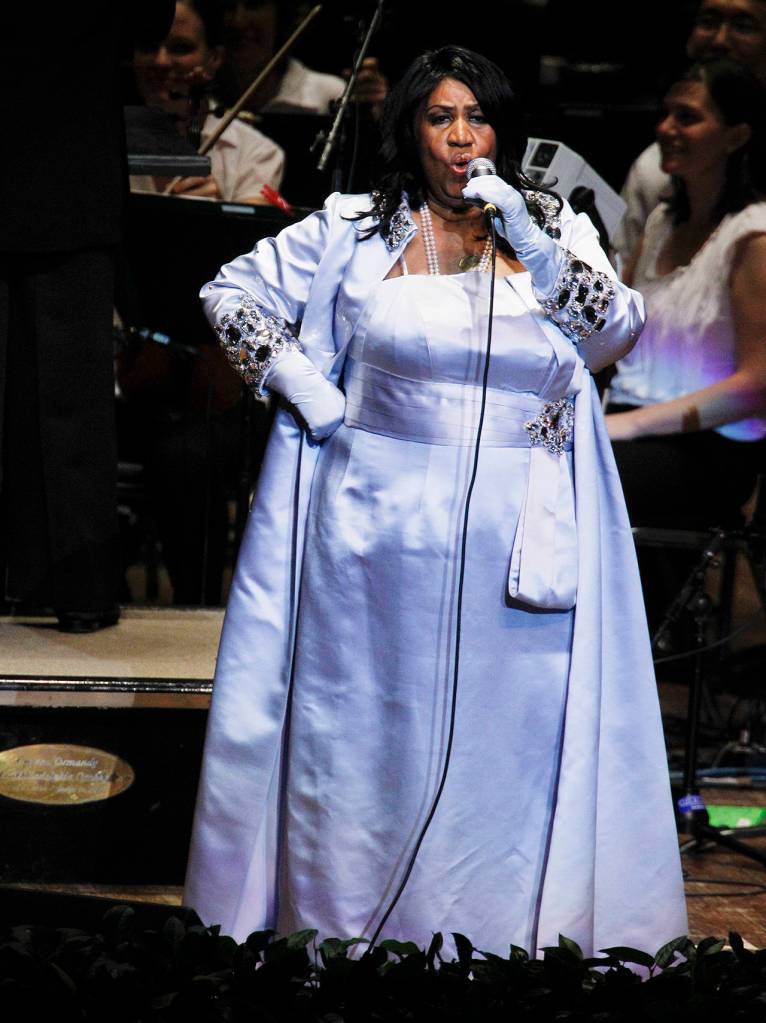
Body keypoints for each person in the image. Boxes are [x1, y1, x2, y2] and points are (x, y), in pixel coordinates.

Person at [184, 46, 687, 957]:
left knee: (506, 758)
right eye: (440, 117)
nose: (462, 137)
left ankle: (493, 951)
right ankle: (347, 943)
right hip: (372, 538)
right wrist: (300, 378)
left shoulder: (547, 229)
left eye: (479, 117)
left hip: (517, 544)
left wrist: (535, 246)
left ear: (503, 131)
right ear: (411, 130)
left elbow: (616, 330)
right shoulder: (355, 228)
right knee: (369, 748)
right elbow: (231, 292)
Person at [0, 2, 174, 632]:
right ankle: (78, 592)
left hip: (64, 175)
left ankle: (60, 586)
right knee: (71, 405)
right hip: (71, 176)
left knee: (61, 402)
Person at [607, 59, 766, 544]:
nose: (666, 128)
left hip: (708, 450)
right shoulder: (660, 222)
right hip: (633, 428)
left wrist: (628, 425)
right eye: (666, 113)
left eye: (687, 117)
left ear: (737, 136)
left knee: (583, 477)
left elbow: (756, 387)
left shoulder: (754, 235)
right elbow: (616, 334)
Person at [614, 0, 766, 265]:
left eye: (743, 25)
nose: (719, 40)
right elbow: (619, 281)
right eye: (708, 22)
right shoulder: (655, 169)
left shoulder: (754, 236)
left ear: (737, 136)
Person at [131, 0, 284, 204]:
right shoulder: (98, 139)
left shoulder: (257, 153)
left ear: (214, 58)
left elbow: (250, 235)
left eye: (181, 48)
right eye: (149, 47)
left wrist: (217, 214)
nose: (161, 61)